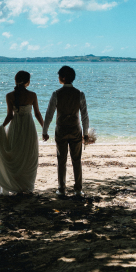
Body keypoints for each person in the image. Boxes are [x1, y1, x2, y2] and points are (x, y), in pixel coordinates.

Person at [0, 70, 44, 195]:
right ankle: (25, 186)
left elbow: (10, 116)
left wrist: (1, 127)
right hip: (28, 128)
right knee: (29, 157)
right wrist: (44, 128)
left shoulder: (9, 96)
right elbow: (37, 114)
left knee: (15, 156)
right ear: (28, 82)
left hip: (15, 127)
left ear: (16, 81)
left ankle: (15, 185)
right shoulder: (32, 95)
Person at [42, 65, 89, 198]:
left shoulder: (56, 94)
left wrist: (45, 130)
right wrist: (85, 133)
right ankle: (78, 189)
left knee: (61, 160)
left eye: (59, 76)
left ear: (63, 78)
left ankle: (61, 188)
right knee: (76, 160)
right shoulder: (79, 94)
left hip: (61, 130)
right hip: (75, 129)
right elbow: (84, 115)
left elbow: (49, 114)